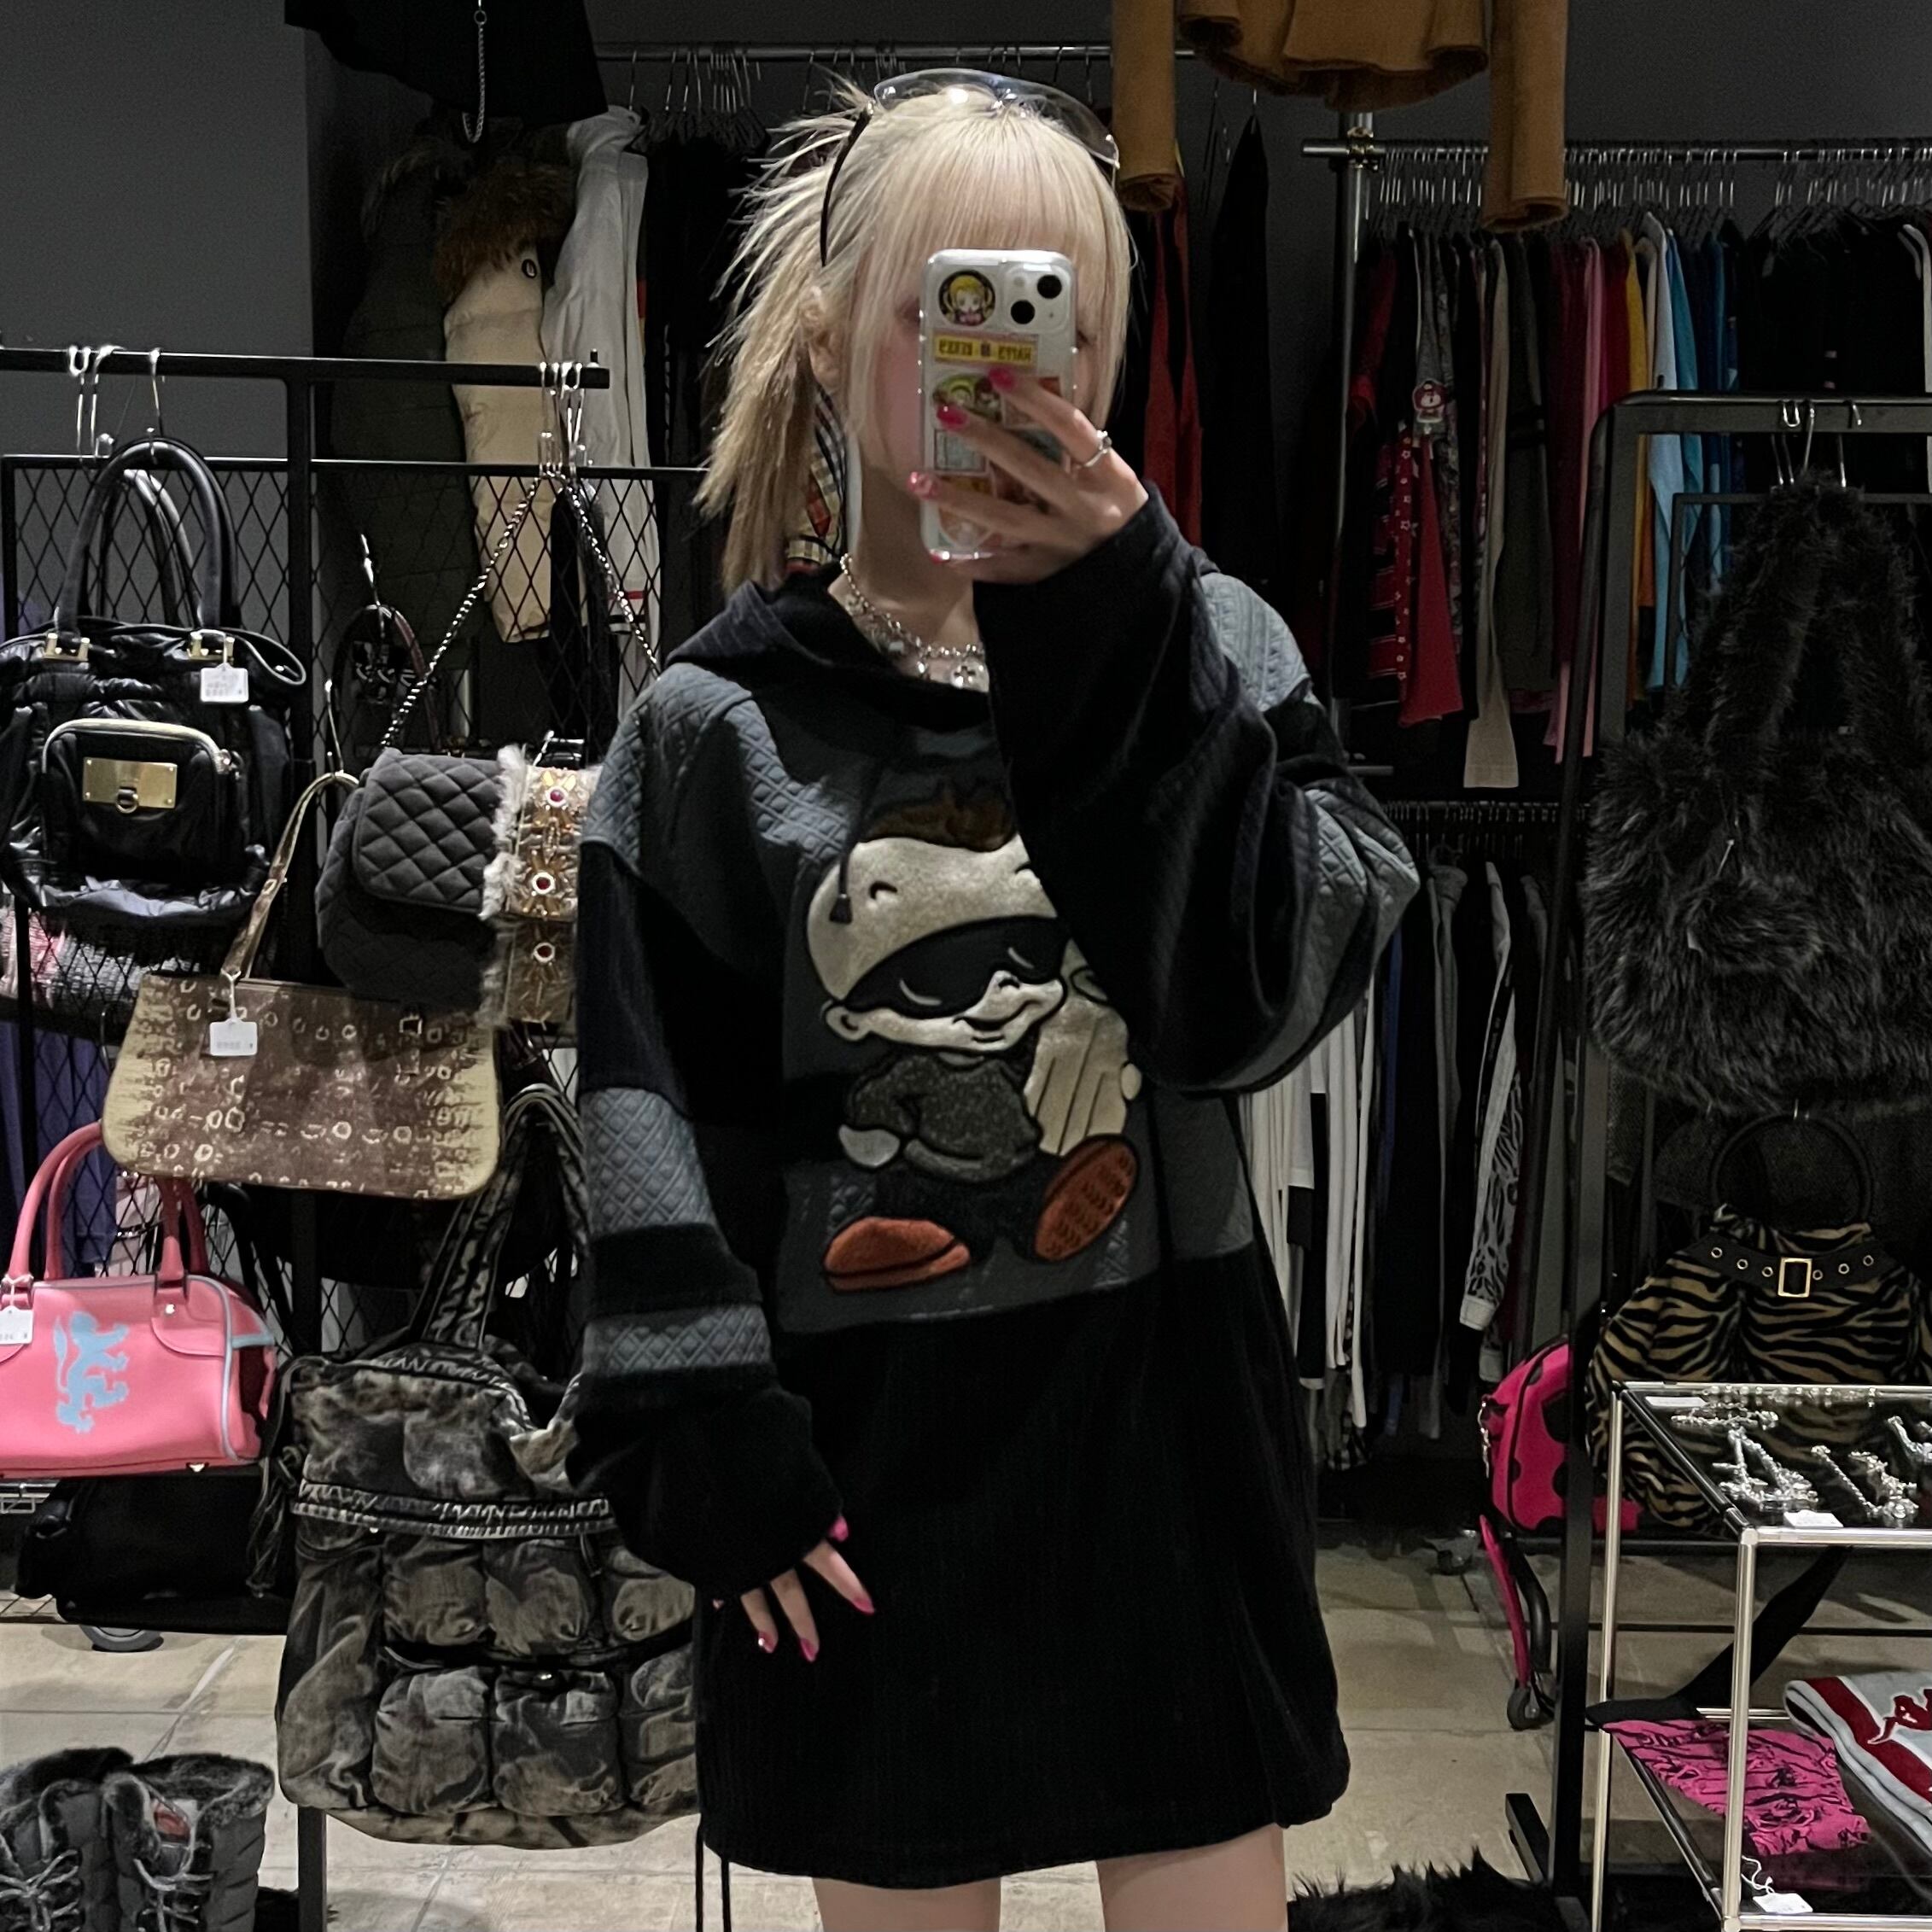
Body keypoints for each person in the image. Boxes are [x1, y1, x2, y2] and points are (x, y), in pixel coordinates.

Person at [569, 71, 1417, 1932]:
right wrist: (707, 1444)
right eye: (954, 307)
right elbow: (647, 1117)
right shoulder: (715, 728)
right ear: (827, 334)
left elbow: (1260, 1004)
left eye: (1059, 320)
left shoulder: (1214, 647)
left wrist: (1119, 623)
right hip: (869, 1482)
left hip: (1163, 1461)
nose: (1014, 366)